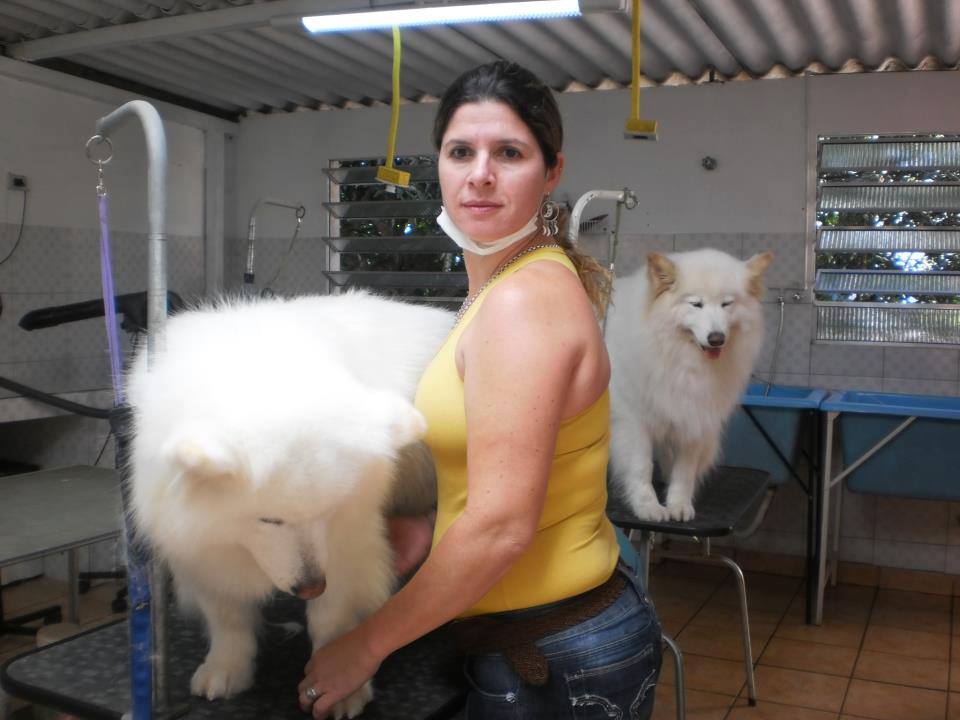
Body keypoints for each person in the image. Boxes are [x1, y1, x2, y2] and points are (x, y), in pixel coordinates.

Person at [299, 60, 662, 719]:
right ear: (436, 161)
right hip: (538, 632)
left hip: (555, 651)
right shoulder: (503, 288)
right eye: (460, 151)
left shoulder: (522, 303)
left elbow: (499, 524)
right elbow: (503, 476)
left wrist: (365, 646)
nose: (480, 175)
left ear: (551, 173)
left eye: (510, 153)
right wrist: (423, 530)